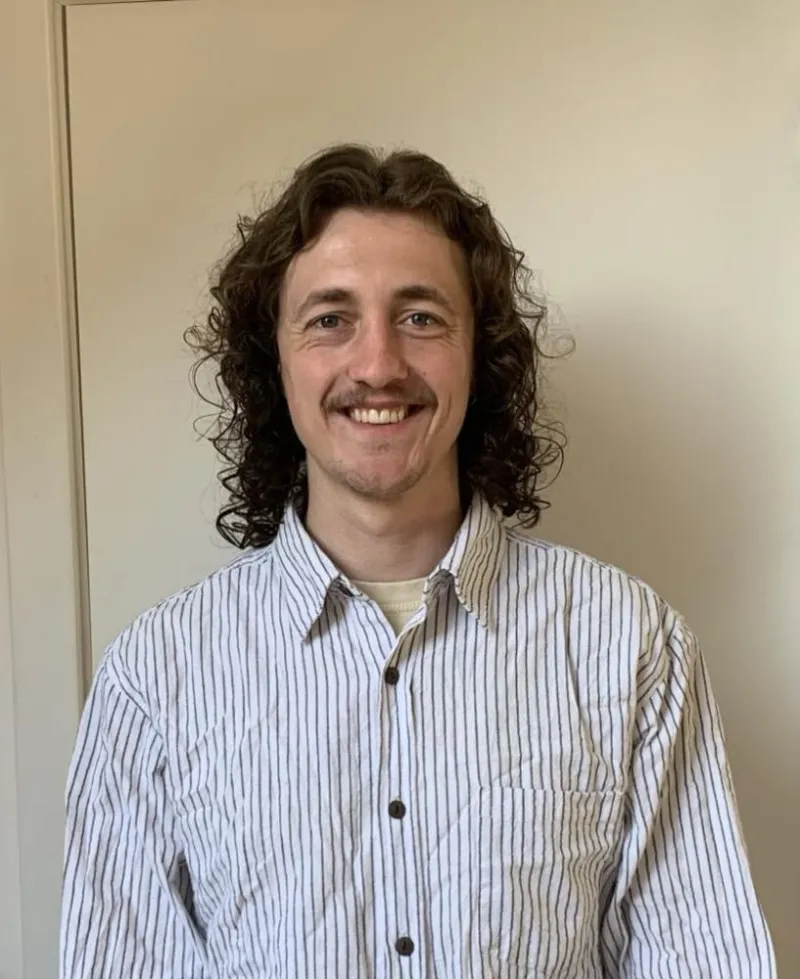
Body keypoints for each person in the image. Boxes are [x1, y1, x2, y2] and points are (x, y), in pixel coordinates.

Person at [60, 144, 776, 978]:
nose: (377, 365)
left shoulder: (632, 645)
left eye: (421, 317)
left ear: (480, 352)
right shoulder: (154, 681)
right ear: (273, 360)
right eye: (330, 318)